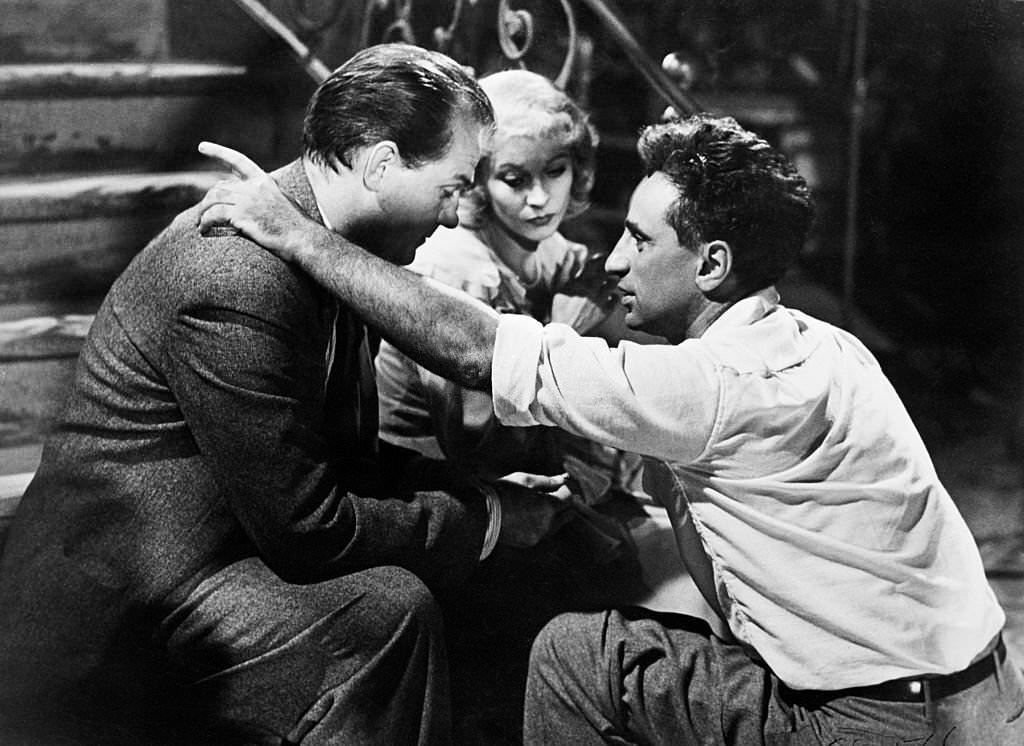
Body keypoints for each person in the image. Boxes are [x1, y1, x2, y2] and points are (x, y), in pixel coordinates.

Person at [195, 111, 1024, 744]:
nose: (614, 260)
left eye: (636, 237)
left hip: (877, 725)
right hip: (986, 700)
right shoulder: (823, 345)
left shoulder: (706, 385)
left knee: (575, 654)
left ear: (712, 265)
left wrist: (295, 233)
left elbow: (475, 348)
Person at [0, 42, 571, 746]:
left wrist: (489, 499)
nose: (457, 216)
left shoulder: (334, 245)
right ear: (380, 165)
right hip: (123, 610)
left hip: (222, 550)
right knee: (387, 610)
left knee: (482, 577)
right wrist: (486, 519)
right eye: (453, 186)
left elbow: (337, 456)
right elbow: (310, 529)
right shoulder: (234, 276)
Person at [375, 67, 640, 498]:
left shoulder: (547, 245)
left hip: (514, 464)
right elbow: (477, 440)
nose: (539, 199)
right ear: (478, 180)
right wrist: (562, 332)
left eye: (555, 171)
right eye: (514, 180)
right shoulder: (460, 269)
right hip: (430, 484)